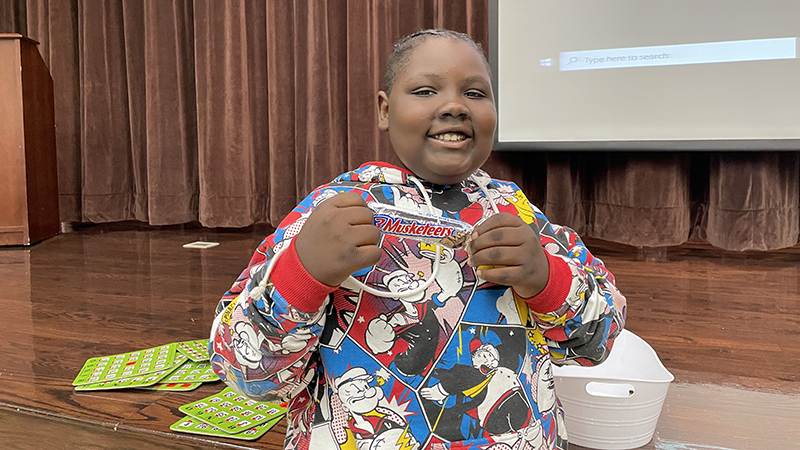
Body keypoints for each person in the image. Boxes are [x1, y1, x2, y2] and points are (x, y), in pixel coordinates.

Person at [209, 28, 626, 450]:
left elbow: (599, 340)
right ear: (385, 110)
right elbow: (244, 371)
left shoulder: (520, 214)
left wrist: (546, 278)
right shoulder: (331, 212)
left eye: (476, 94)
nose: (454, 106)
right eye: (426, 90)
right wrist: (301, 275)